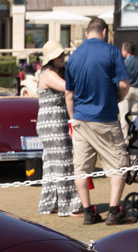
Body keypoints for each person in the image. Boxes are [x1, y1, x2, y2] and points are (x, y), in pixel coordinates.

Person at [64, 17, 136, 226]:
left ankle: (87, 211)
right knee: (118, 163)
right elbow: (123, 83)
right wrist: (120, 97)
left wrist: (72, 118)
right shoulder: (112, 51)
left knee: (81, 168)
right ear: (104, 32)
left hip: (80, 119)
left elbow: (69, 94)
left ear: (87, 33)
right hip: (105, 118)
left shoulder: (74, 56)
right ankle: (114, 211)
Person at [36, 40, 83, 218]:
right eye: (58, 56)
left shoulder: (54, 72)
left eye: (62, 54)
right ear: (50, 59)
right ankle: (69, 206)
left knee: (51, 166)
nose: (62, 58)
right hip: (52, 124)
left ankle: (51, 203)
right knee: (64, 164)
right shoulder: (48, 74)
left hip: (55, 123)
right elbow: (68, 88)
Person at [119, 42, 138, 136]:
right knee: (137, 116)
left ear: (126, 51)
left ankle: (125, 137)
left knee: (123, 115)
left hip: (126, 90)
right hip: (137, 90)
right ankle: (136, 135)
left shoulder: (123, 63)